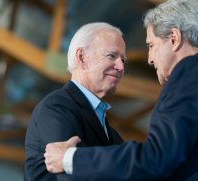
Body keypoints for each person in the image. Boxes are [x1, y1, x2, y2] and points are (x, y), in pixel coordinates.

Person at [44, 0, 198, 180]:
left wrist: (70, 158)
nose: (149, 58)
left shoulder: (193, 69)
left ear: (174, 38)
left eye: (151, 45)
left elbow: (156, 157)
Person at [24, 22, 127, 180]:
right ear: (82, 57)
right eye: (112, 56)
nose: (120, 66)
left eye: (123, 60)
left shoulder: (111, 134)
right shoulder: (57, 107)